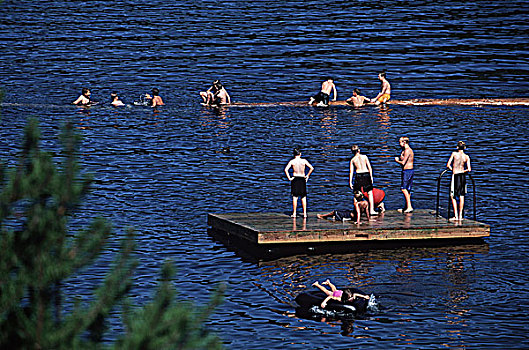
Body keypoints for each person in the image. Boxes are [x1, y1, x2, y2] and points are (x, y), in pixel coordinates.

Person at [284, 148, 314, 218]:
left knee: (295, 197)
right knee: (303, 197)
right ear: (300, 154)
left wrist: (289, 178)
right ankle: (305, 213)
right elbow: (312, 168)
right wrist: (307, 175)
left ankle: (294, 213)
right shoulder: (303, 161)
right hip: (302, 178)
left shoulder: (292, 161)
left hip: (295, 178)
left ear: (294, 154)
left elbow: (286, 170)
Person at [349, 145, 378, 216]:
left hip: (358, 175)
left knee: (356, 193)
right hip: (366, 174)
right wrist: (371, 177)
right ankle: (371, 210)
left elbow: (351, 172)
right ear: (359, 150)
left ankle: (356, 210)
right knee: (370, 192)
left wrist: (350, 182)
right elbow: (370, 168)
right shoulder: (364, 157)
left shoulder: (353, 160)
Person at [446, 141, 471, 221]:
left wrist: (453, 170)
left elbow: (448, 165)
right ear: (465, 148)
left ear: (457, 147)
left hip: (455, 175)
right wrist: (462, 171)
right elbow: (469, 169)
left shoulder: (454, 154)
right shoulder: (466, 157)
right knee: (462, 195)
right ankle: (460, 216)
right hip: (462, 176)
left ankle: (456, 215)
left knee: (453, 195)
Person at [394, 137, 414, 213]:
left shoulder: (407, 151)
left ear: (404, 142)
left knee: (403, 189)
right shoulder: (406, 150)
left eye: (400, 142)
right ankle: (406, 207)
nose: (399, 144)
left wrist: (397, 160)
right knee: (408, 189)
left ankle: (409, 206)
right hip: (409, 171)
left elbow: (403, 163)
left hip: (407, 171)